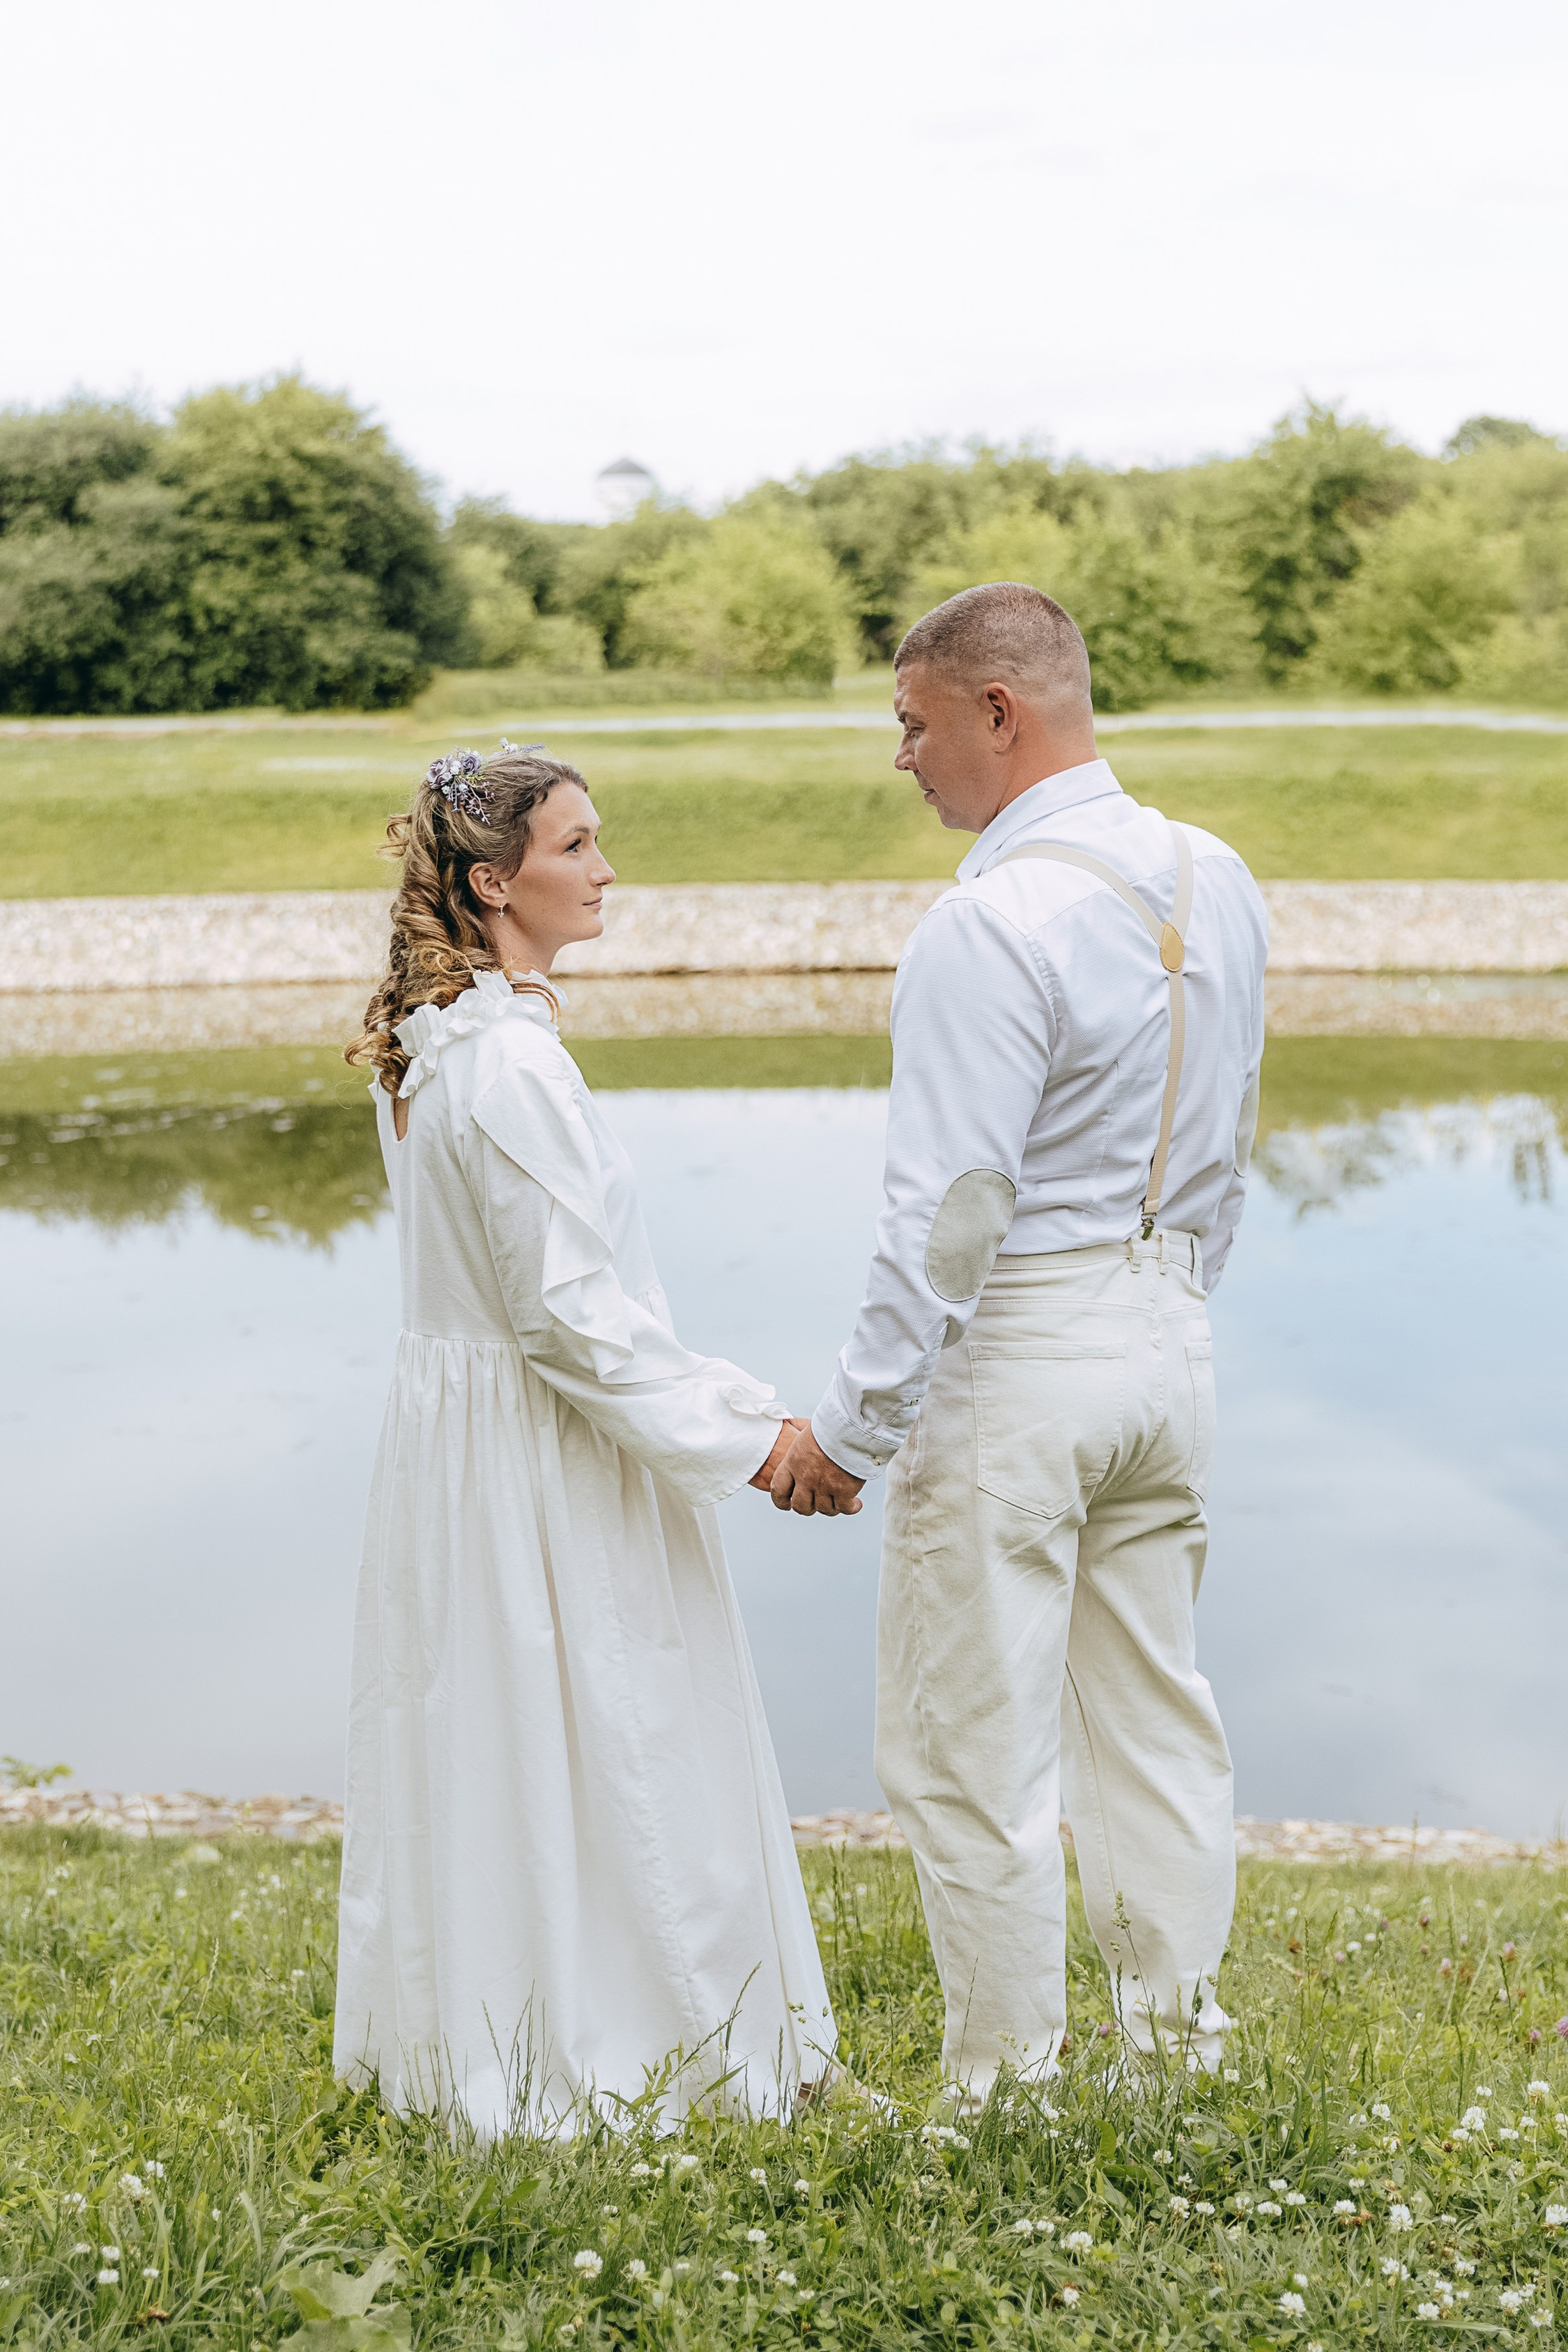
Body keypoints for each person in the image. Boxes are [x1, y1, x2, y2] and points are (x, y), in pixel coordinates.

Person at [770, 585, 1268, 2101]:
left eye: (913, 724)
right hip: (1169, 1336)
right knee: (1151, 1718)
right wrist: (1171, 1302)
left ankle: (1002, 2087)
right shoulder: (1216, 873)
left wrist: (851, 1430)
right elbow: (1230, 1136)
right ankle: (1170, 2059)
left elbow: (950, 1218)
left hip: (1026, 1351)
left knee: (962, 1748)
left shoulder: (987, 922)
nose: (901, 757)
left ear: (1001, 712)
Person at [333, 744, 834, 2134]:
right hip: (537, 1455)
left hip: (474, 1446)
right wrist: (755, 1434)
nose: (606, 869)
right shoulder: (503, 1069)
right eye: (575, 847)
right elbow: (569, 1321)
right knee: (616, 1730)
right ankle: (633, 2048)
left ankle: (528, 2016)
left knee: (516, 1738)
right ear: (496, 882)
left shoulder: (451, 1045)